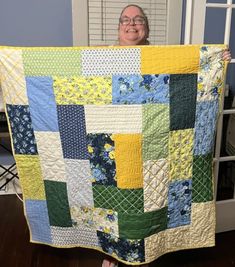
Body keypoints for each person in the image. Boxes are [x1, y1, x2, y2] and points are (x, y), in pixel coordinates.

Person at [102, 4, 231, 267]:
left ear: (146, 27)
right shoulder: (104, 56)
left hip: (153, 137)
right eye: (125, 20)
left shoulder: (163, 56)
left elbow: (193, 72)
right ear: (118, 28)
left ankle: (149, 250)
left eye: (138, 20)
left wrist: (216, 60)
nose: (131, 24)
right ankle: (114, 254)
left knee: (150, 197)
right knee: (114, 199)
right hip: (116, 138)